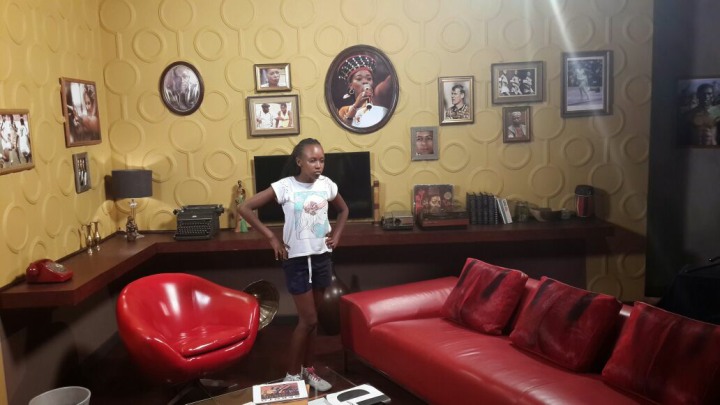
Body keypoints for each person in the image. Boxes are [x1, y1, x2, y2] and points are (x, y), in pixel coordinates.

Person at [237, 138, 349, 392]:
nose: (318, 165)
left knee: (313, 321)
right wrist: (271, 237)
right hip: (296, 260)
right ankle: (291, 375)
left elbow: (344, 210)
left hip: (321, 258)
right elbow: (245, 208)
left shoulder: (327, 185)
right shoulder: (285, 186)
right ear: (299, 161)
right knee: (307, 320)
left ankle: (308, 370)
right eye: (312, 160)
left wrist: (337, 234)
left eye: (321, 160)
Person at [336, 54, 393, 128]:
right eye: (359, 79)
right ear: (351, 86)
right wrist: (356, 106)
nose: (365, 82)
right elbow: (343, 129)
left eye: (369, 78)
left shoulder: (381, 105)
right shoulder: (345, 110)